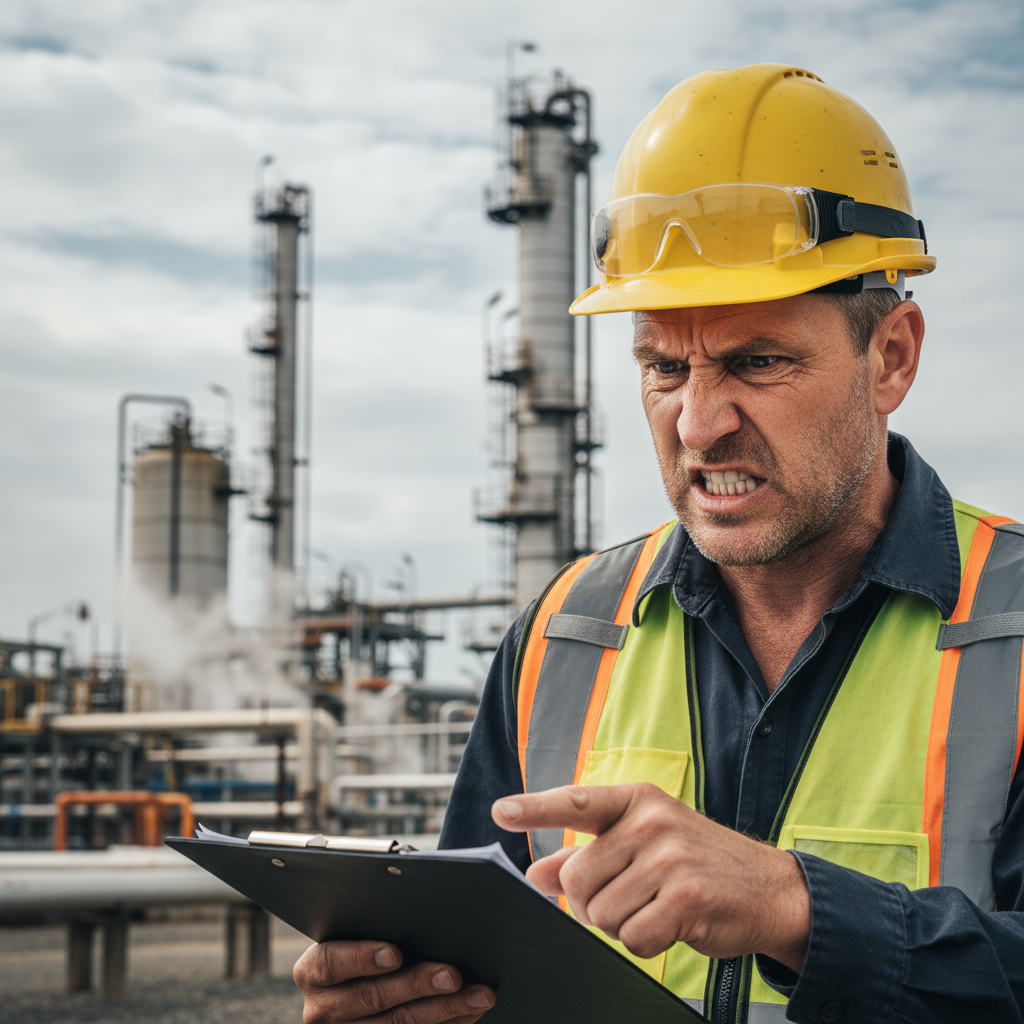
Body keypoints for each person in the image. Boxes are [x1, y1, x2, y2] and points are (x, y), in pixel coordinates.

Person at [294, 63, 1024, 1024]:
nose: (697, 423)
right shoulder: (565, 632)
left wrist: (797, 910)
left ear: (891, 357)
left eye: (758, 362)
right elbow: (483, 971)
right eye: (662, 366)